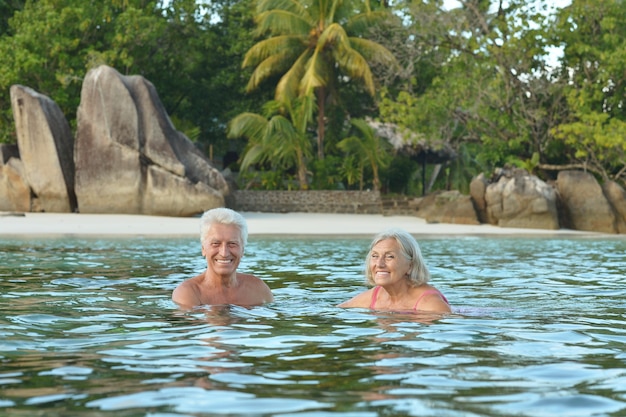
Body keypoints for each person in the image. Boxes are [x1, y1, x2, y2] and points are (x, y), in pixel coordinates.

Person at [172, 207, 274, 308]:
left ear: (242, 250)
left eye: (232, 244)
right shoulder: (188, 293)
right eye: (216, 243)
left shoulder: (258, 290)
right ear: (203, 249)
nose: (224, 253)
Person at [338, 228, 451, 314]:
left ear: (410, 265)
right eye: (375, 256)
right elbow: (335, 311)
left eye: (390, 257)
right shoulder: (374, 296)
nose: (379, 264)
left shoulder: (430, 304)